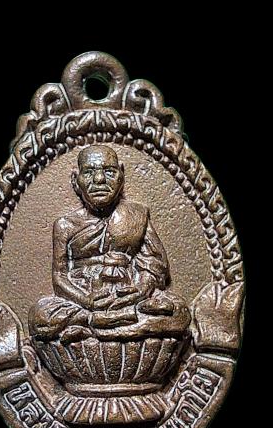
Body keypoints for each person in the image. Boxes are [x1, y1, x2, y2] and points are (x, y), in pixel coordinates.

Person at [29, 146, 190, 344]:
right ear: (75, 179)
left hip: (130, 297)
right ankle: (105, 323)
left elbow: (156, 263)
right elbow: (60, 277)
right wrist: (88, 301)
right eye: (89, 172)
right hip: (85, 301)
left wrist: (140, 290)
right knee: (40, 317)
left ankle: (93, 328)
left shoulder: (136, 214)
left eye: (109, 172)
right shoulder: (65, 225)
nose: (99, 180)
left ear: (121, 175)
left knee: (180, 311)